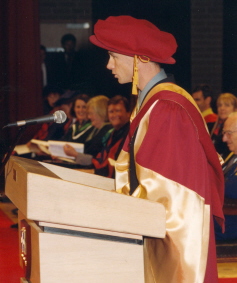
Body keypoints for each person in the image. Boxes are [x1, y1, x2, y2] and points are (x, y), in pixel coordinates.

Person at [89, 15, 224, 282]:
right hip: (158, 233)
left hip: (177, 245)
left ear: (141, 59)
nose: (108, 65)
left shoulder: (167, 109)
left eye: (114, 56)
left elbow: (170, 194)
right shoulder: (151, 102)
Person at [64, 95, 130, 178]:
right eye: (111, 112)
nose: (113, 115)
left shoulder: (128, 134)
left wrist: (90, 171)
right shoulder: (114, 132)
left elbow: (111, 165)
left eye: (117, 111)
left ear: (128, 113)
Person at [215, 112, 237, 242]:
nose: (224, 139)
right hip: (222, 218)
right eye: (223, 133)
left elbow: (233, 189)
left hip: (230, 224)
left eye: (228, 133)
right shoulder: (232, 156)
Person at [210, 92, 237, 160]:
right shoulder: (211, 126)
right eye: (219, 105)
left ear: (235, 109)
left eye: (227, 105)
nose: (222, 108)